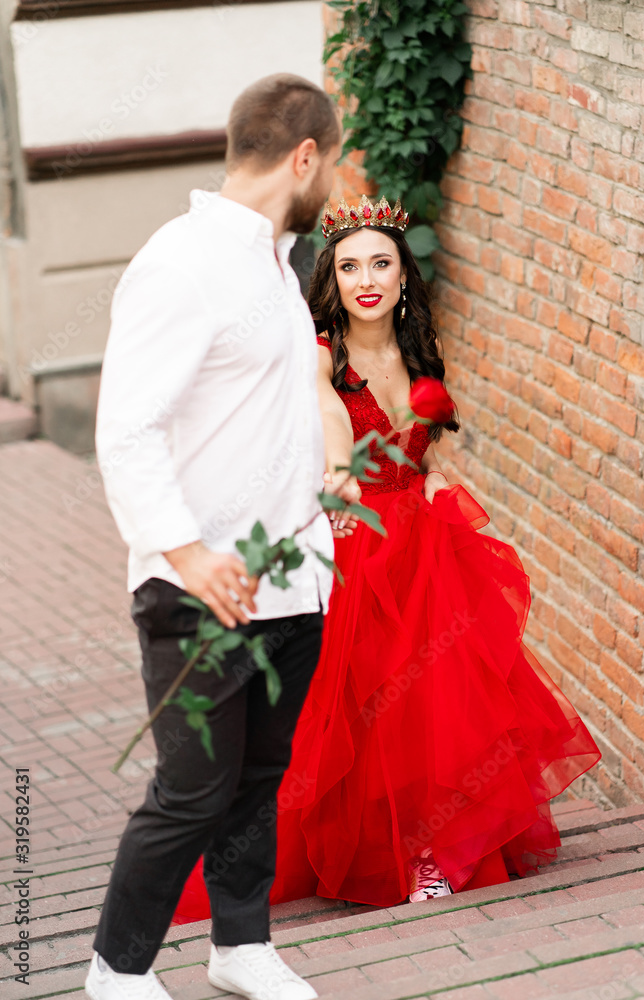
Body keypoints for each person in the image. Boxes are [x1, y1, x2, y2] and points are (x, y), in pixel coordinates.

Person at [173, 195, 601, 922]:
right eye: (347, 266)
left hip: (425, 539)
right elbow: (331, 438)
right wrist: (343, 478)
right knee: (369, 703)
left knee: (442, 701)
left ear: (404, 277)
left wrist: (440, 490)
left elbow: (420, 457)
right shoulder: (316, 354)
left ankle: (431, 853)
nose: (364, 278)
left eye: (380, 262)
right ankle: (368, 850)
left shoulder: (415, 353)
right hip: (358, 538)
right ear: (330, 281)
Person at [86, 74, 346, 1000]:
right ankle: (116, 968)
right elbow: (126, 428)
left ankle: (240, 948)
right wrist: (189, 555)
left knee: (255, 779)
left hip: (290, 579)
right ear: (304, 156)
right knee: (190, 792)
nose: (336, 183)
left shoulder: (276, 263)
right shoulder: (181, 261)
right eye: (334, 160)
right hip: (197, 587)